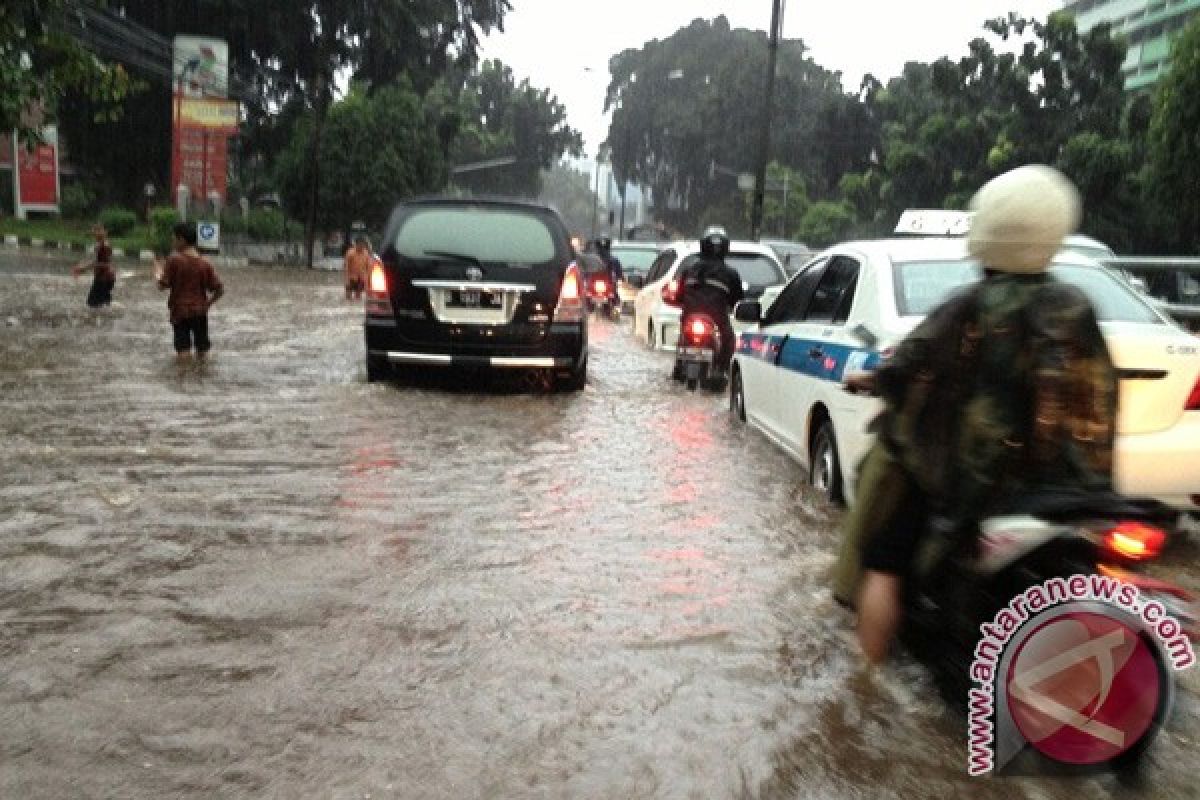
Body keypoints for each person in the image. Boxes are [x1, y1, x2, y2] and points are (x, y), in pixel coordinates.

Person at [837, 165, 1118, 665]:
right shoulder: (1075, 306)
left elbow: (907, 365)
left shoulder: (970, 306)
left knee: (885, 559)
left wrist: (871, 379)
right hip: (1070, 487)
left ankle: (865, 681)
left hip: (977, 488)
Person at [676, 227, 744, 374]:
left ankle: (679, 368)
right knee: (729, 342)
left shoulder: (689, 270)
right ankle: (722, 371)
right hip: (717, 320)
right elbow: (738, 299)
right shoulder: (730, 274)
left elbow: (678, 297)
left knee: (682, 337)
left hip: (691, 319)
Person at [154, 223, 224, 360]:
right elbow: (220, 290)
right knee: (203, 352)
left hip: (180, 313)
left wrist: (157, 272)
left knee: (183, 353)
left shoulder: (174, 260)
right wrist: (208, 304)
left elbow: (162, 286)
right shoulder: (205, 263)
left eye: (174, 238)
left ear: (182, 240)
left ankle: (185, 379)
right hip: (200, 312)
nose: (172, 242)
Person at [71, 224, 116, 308]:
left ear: (105, 232)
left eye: (99, 230)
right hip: (107, 277)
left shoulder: (104, 246)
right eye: (95, 230)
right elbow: (100, 261)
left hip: (103, 278)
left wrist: (83, 269)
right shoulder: (102, 244)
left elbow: (102, 263)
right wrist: (83, 267)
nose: (96, 233)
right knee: (104, 305)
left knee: (92, 305)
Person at [594, 236, 624, 307]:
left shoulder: (614, 260)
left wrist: (619, 279)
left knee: (615, 296)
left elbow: (619, 274)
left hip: (609, 285)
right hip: (594, 286)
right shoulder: (593, 260)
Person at [344, 236, 371, 300]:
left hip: (361, 278)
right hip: (351, 277)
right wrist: (347, 279)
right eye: (360, 244)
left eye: (363, 244)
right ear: (356, 244)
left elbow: (369, 267)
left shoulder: (366, 253)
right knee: (348, 297)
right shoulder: (350, 253)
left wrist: (367, 280)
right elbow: (346, 266)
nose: (361, 246)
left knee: (358, 296)